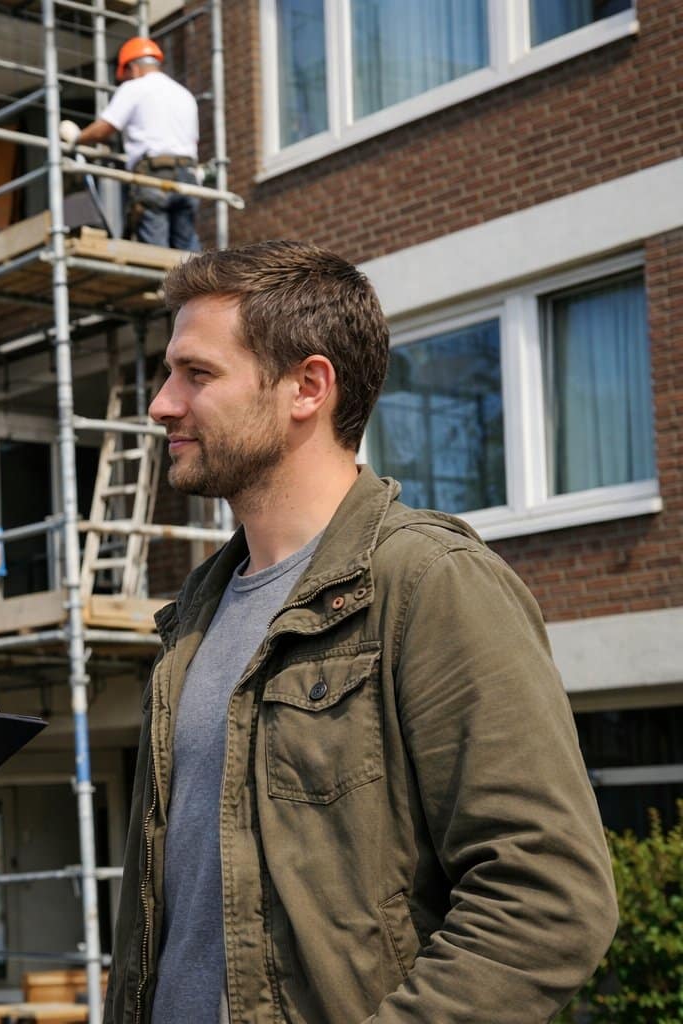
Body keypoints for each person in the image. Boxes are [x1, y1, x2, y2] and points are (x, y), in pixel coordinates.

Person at [105, 241, 617, 1023]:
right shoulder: (192, 621)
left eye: (197, 374)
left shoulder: (430, 584)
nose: (162, 404)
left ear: (307, 387)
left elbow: (547, 898)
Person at [69, 37, 201, 252]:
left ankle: (164, 285)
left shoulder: (134, 88)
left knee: (157, 254)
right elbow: (193, 141)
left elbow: (105, 128)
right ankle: (199, 286)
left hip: (155, 175)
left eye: (127, 74)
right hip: (188, 176)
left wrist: (77, 138)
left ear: (133, 67)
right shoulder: (184, 95)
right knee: (187, 251)